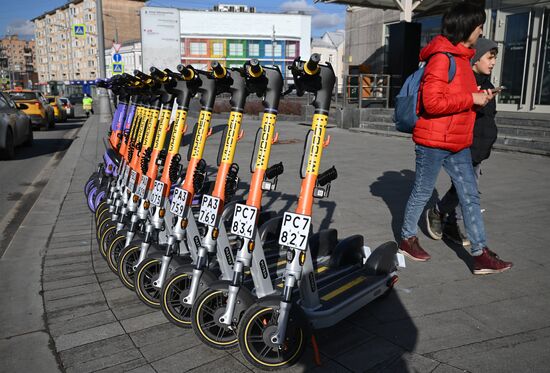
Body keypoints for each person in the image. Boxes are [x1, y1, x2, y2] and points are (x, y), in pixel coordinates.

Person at [399, 3, 513, 275]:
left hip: (459, 141)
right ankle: (406, 238)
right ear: (468, 28)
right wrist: (471, 98)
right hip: (433, 140)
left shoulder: (463, 58)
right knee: (423, 191)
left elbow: (457, 100)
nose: (481, 31)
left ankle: (480, 254)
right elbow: (432, 103)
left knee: (470, 196)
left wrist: (479, 99)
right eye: (479, 26)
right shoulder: (442, 58)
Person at [426, 38, 500, 247]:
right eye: (489, 57)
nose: (493, 62)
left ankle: (445, 217)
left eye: (495, 58)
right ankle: (444, 215)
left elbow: (488, 119)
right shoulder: (465, 81)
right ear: (476, 59)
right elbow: (458, 111)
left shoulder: (488, 85)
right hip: (465, 144)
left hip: (480, 147)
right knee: (468, 189)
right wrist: (473, 99)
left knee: (464, 188)